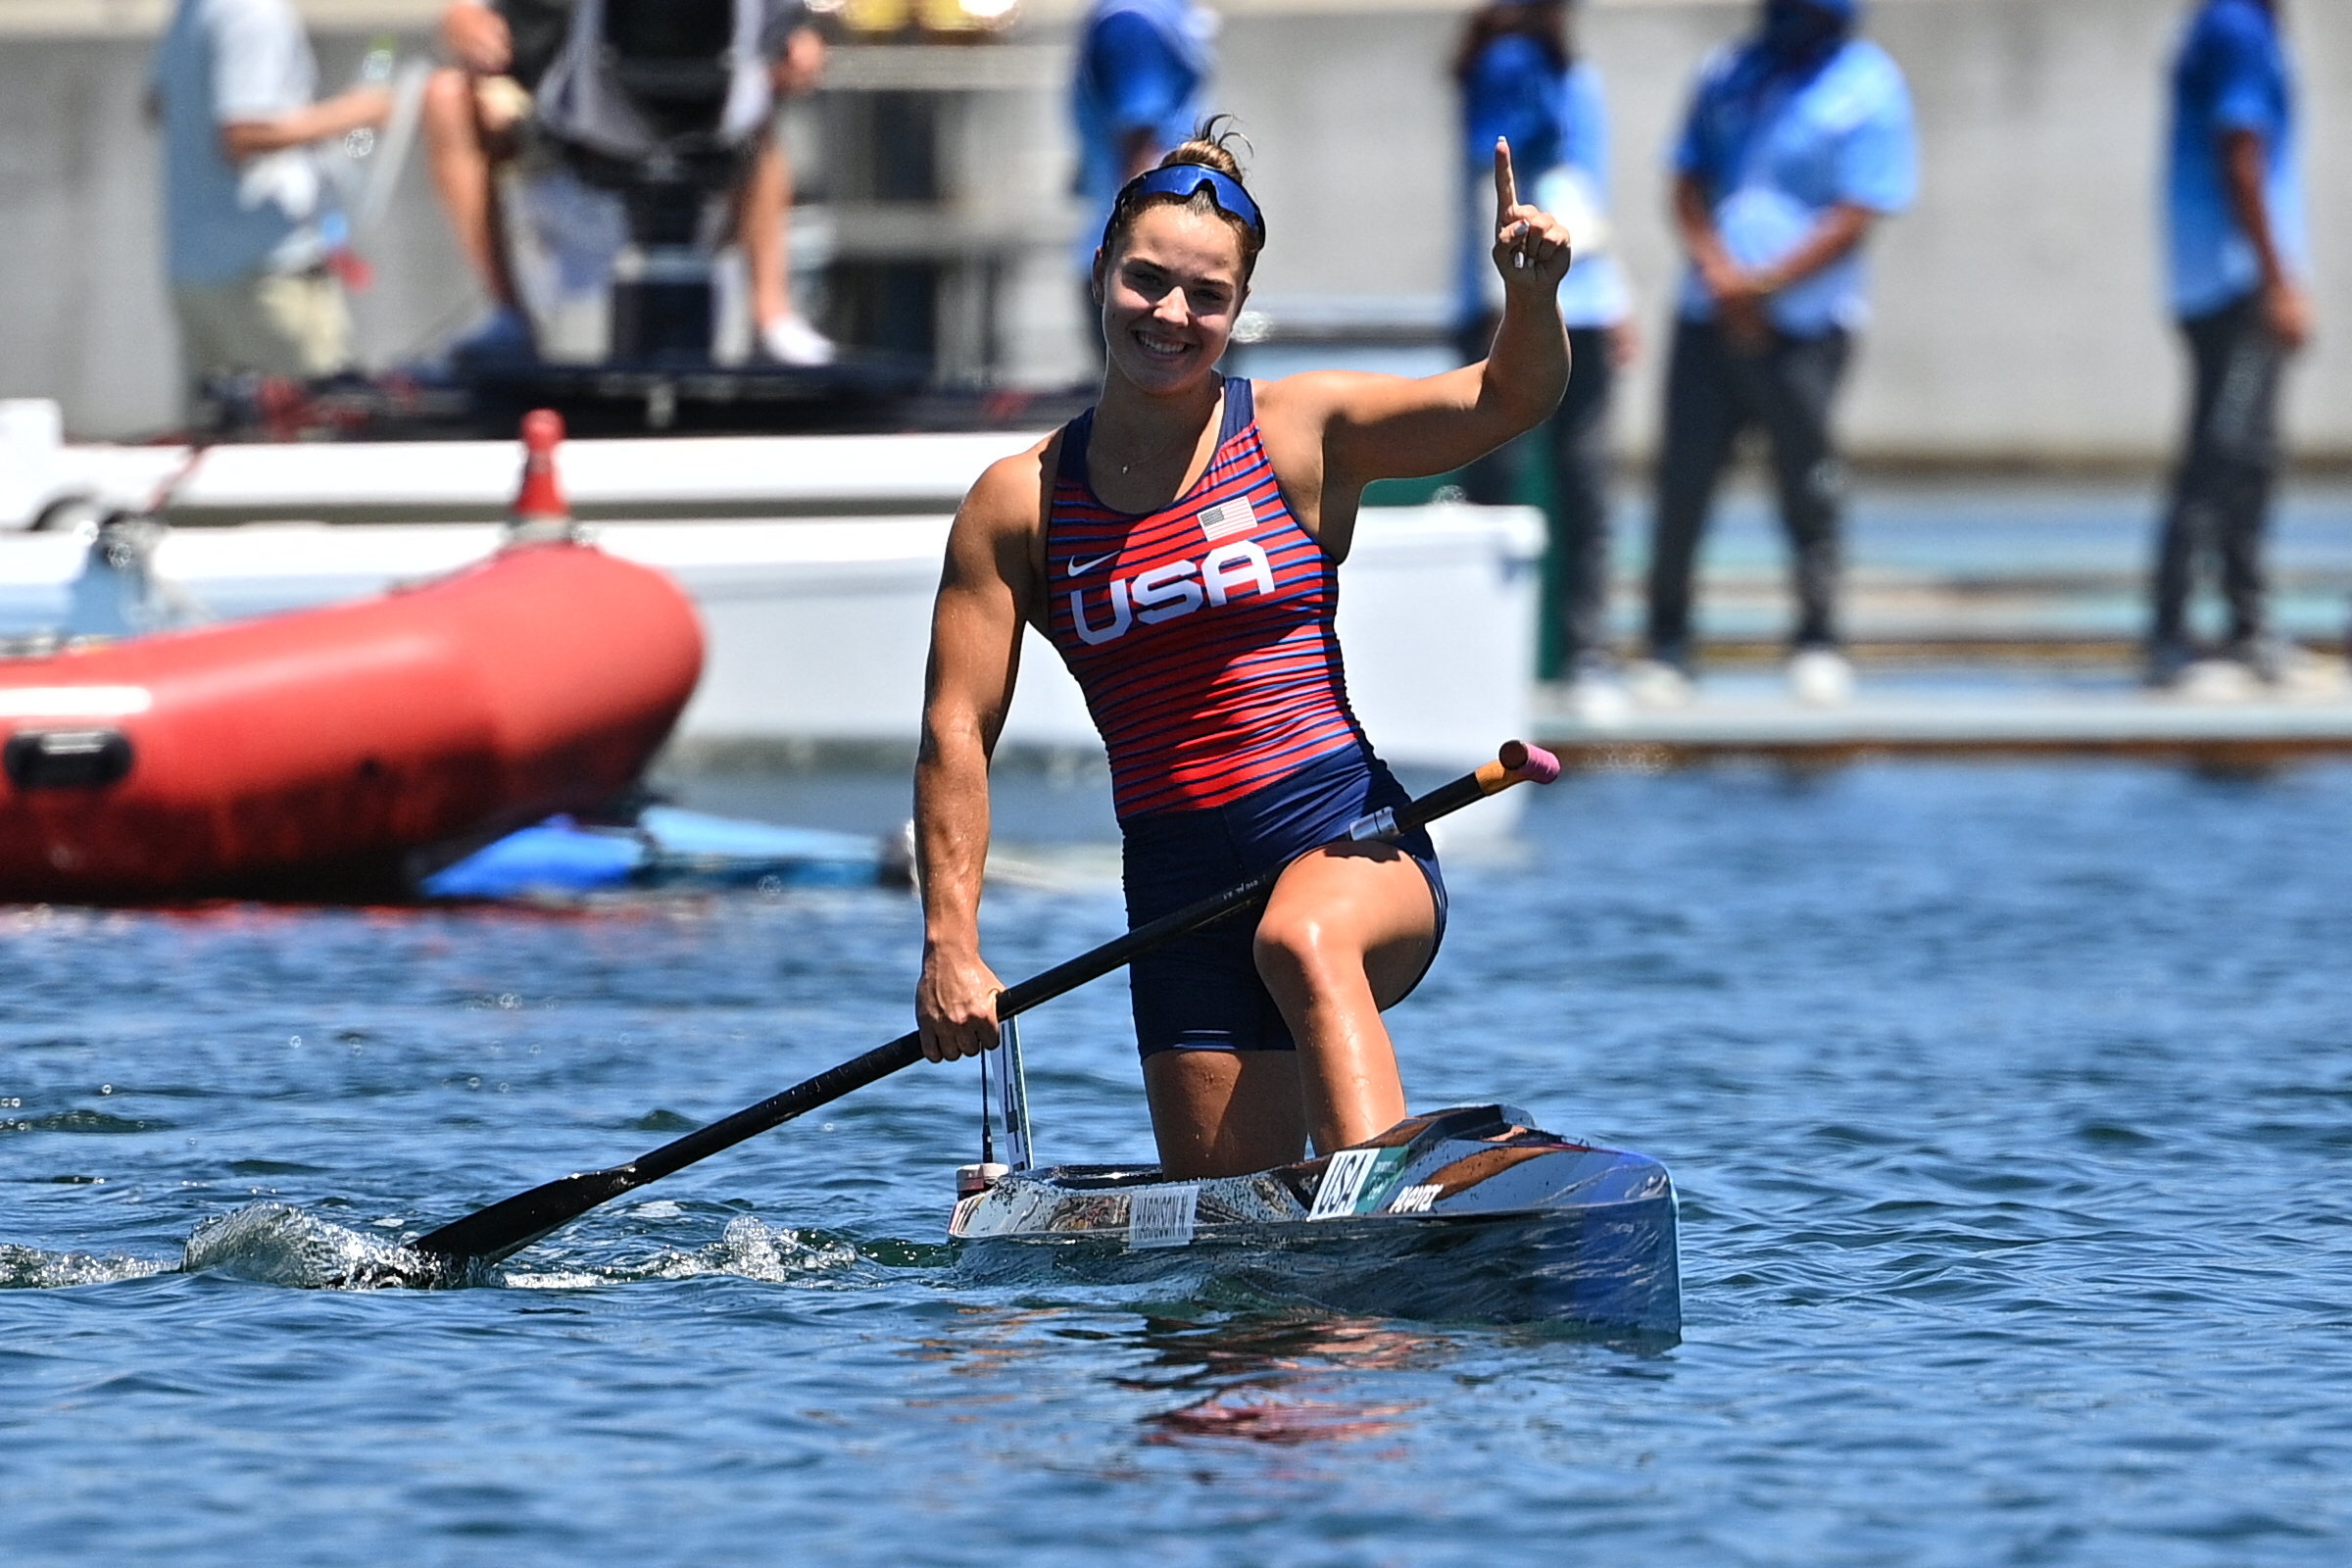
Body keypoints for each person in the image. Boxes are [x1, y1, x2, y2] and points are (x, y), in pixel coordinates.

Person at [913, 127, 1575, 1179]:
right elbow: (957, 729)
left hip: (1347, 839)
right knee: (1232, 1273)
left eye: (1205, 296)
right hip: (1177, 895)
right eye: (1147, 280)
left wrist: (1529, 297)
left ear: (1237, 308)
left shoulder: (1296, 431)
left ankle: (1379, 1232)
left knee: (1300, 939)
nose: (1172, 316)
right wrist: (952, 941)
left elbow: (1508, 399)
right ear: (1100, 273)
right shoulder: (1017, 503)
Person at [1632, 0, 1914, 707]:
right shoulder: (1728, 70)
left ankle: (1817, 637)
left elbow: (1859, 208)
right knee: (1685, 481)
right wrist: (1721, 274)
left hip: (1807, 325)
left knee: (1807, 482)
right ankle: (1668, 640)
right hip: (1710, 315)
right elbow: (1687, 177)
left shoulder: (1869, 85)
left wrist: (1767, 283)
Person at [422, 0, 832, 365]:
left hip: (714, 133)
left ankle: (772, 315)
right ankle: (510, 320)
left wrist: (798, 49)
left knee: (759, 114)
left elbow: (785, 31)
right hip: (570, 140)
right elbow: (475, 20)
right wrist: (467, 21)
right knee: (446, 96)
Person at [1451, 0, 1634, 707]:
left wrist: (1618, 298)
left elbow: (1587, 188)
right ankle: (1483, 655)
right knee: (1496, 483)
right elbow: (1490, 180)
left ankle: (1587, 653)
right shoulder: (1500, 63)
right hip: (1505, 301)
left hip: (1581, 306)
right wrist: (1507, 291)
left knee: (1584, 486)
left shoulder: (1574, 74)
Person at [2146, 0, 2312, 688]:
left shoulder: (2233, 24)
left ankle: (2233, 625)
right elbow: (2239, 150)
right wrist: (2278, 279)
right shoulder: (2237, 29)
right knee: (2230, 457)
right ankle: (2190, 630)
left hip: (2218, 275)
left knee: (2233, 453)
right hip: (2233, 277)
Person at [150, 0, 392, 416]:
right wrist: (356, 112)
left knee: (215, 449)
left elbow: (156, 104)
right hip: (267, 276)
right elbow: (241, 134)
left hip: (195, 270)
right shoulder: (255, 11)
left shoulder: (195, 8)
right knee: (310, 438)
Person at [1070, 0, 1215, 336]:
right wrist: (1144, 259)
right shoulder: (1134, 22)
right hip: (1148, 270)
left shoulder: (1159, 13)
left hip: (1158, 265)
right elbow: (1139, 147)